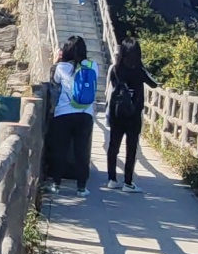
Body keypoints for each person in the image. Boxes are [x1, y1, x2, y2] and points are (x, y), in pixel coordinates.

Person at [103, 38, 160, 192]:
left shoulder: (115, 69)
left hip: (117, 112)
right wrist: (142, 68)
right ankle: (128, 183)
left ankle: (112, 179)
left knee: (113, 146)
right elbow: (154, 84)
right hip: (134, 113)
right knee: (131, 147)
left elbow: (113, 86)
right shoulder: (139, 72)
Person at [44, 36, 97, 197]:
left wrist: (55, 61)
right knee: (81, 151)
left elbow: (53, 82)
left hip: (64, 114)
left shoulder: (61, 67)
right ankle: (82, 187)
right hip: (86, 115)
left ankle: (56, 184)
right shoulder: (93, 65)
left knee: (60, 150)